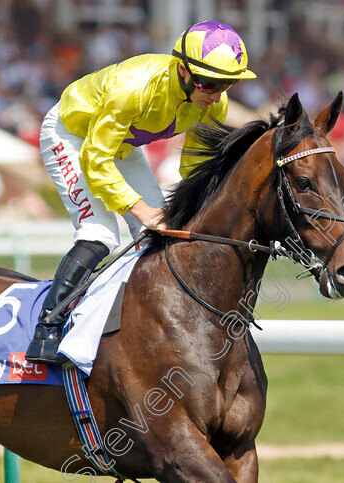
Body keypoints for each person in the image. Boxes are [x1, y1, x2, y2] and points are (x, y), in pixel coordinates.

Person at [26, 21, 256, 364]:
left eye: (227, 84)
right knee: (100, 234)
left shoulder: (213, 105)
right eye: (209, 82)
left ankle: (142, 323)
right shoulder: (132, 88)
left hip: (124, 146)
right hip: (72, 137)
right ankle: (47, 329)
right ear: (182, 69)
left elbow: (193, 168)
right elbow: (95, 157)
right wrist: (139, 209)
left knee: (159, 235)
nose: (215, 93)